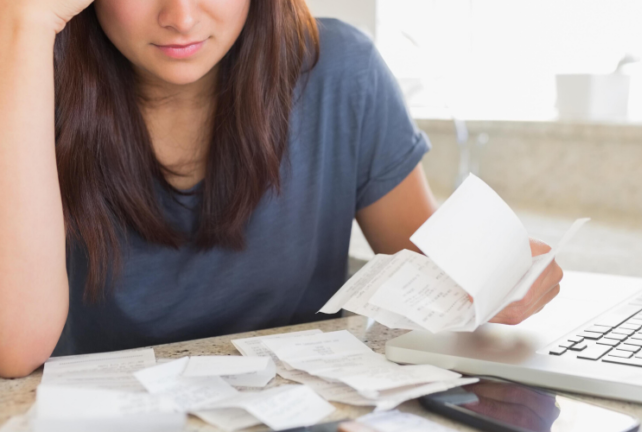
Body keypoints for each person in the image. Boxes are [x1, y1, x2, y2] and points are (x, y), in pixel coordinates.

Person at [0, 0, 563, 378]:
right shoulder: (25, 77)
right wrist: (21, 24)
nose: (181, 17)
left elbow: (430, 267)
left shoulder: (340, 70)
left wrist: (496, 275)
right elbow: (14, 347)